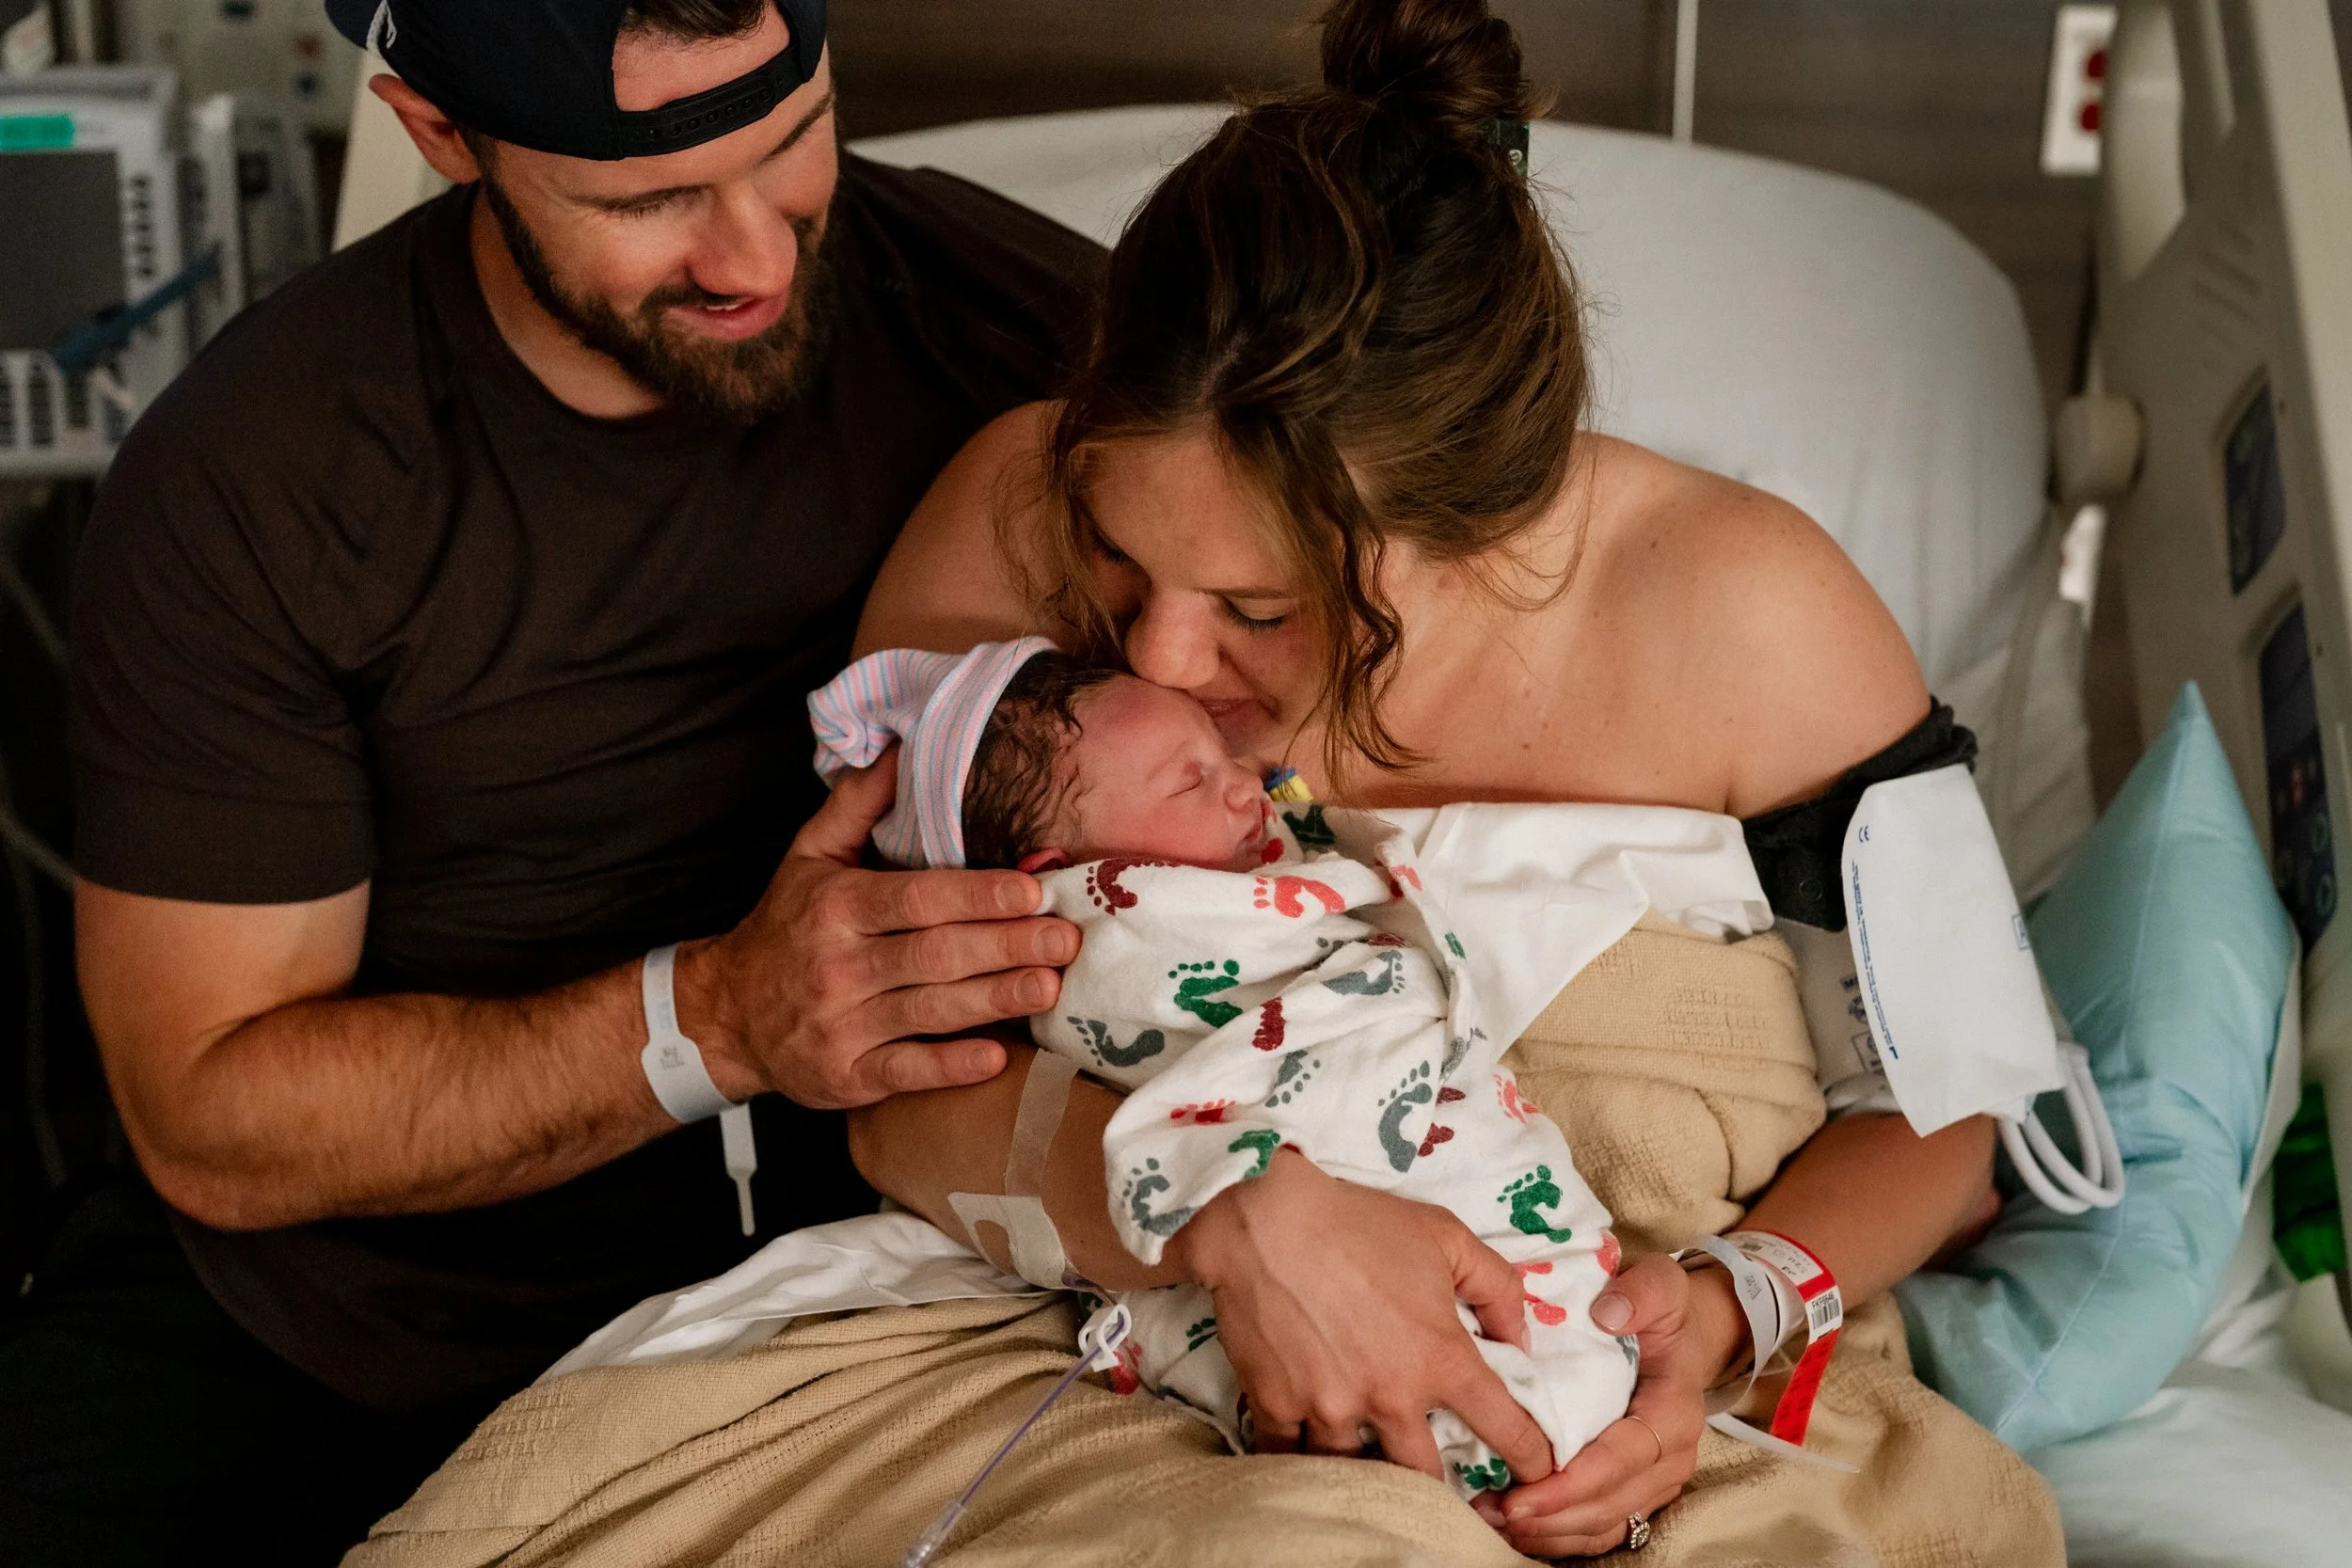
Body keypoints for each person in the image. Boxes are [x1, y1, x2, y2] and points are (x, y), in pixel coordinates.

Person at [848, 0, 2011, 1558]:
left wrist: (1733, 1309)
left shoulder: (1758, 619)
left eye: (1263, 611)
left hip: (1625, 1371)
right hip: (1132, 1351)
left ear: (1490, 519)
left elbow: (1945, 1105)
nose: (1168, 657)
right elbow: (875, 1080)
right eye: (1123, 564)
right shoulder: (1008, 521)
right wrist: (1224, 1207)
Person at [0, 1, 1107, 1561]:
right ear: (441, 136)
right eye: (646, 200)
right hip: (340, 1320)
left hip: (869, 1289)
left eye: (793, 143)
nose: (755, 257)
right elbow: (212, 1113)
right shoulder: (260, 485)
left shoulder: (1028, 339)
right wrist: (720, 1016)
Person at [806, 637, 1639, 1499]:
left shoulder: (1269, 849)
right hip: (1341, 1225)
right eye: (1187, 779)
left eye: (1221, 751)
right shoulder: (1127, 931)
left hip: (1479, 1209)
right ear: (1063, 876)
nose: (1246, 781)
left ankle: (1545, 1408)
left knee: (1558, 1333)